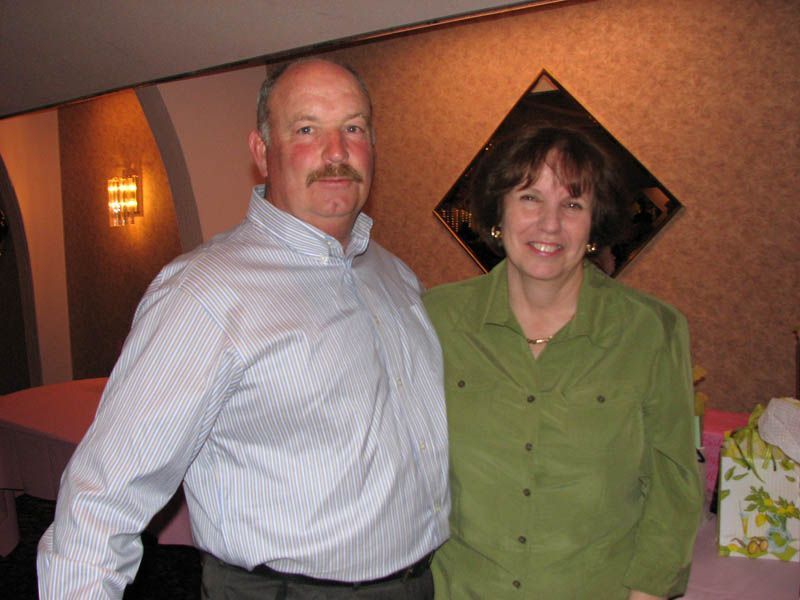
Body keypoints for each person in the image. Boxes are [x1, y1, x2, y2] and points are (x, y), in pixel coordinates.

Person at [37, 58, 449, 599]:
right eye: (306, 129)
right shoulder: (204, 294)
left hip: (420, 581)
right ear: (261, 152)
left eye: (353, 128)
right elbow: (104, 495)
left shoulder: (394, 276)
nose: (336, 152)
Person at [424, 126, 703, 599]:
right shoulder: (436, 319)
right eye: (530, 198)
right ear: (498, 213)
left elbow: (672, 486)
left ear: (595, 223)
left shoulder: (652, 331)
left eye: (573, 204)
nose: (549, 224)